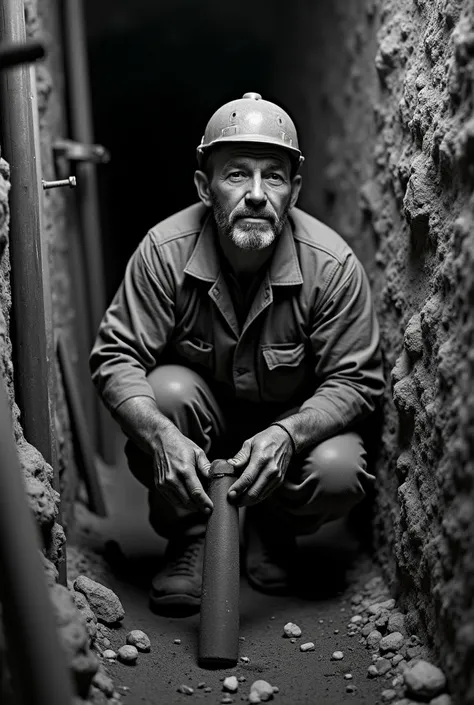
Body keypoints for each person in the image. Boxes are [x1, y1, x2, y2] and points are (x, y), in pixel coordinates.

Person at [89, 92, 385, 615]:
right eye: (235, 175)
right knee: (164, 396)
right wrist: (159, 434)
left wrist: (288, 436)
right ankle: (191, 536)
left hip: (284, 429)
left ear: (294, 190)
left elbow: (357, 382)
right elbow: (115, 356)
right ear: (205, 187)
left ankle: (274, 527)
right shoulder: (165, 252)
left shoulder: (332, 266)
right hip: (197, 428)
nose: (255, 194)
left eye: (272, 176)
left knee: (340, 468)